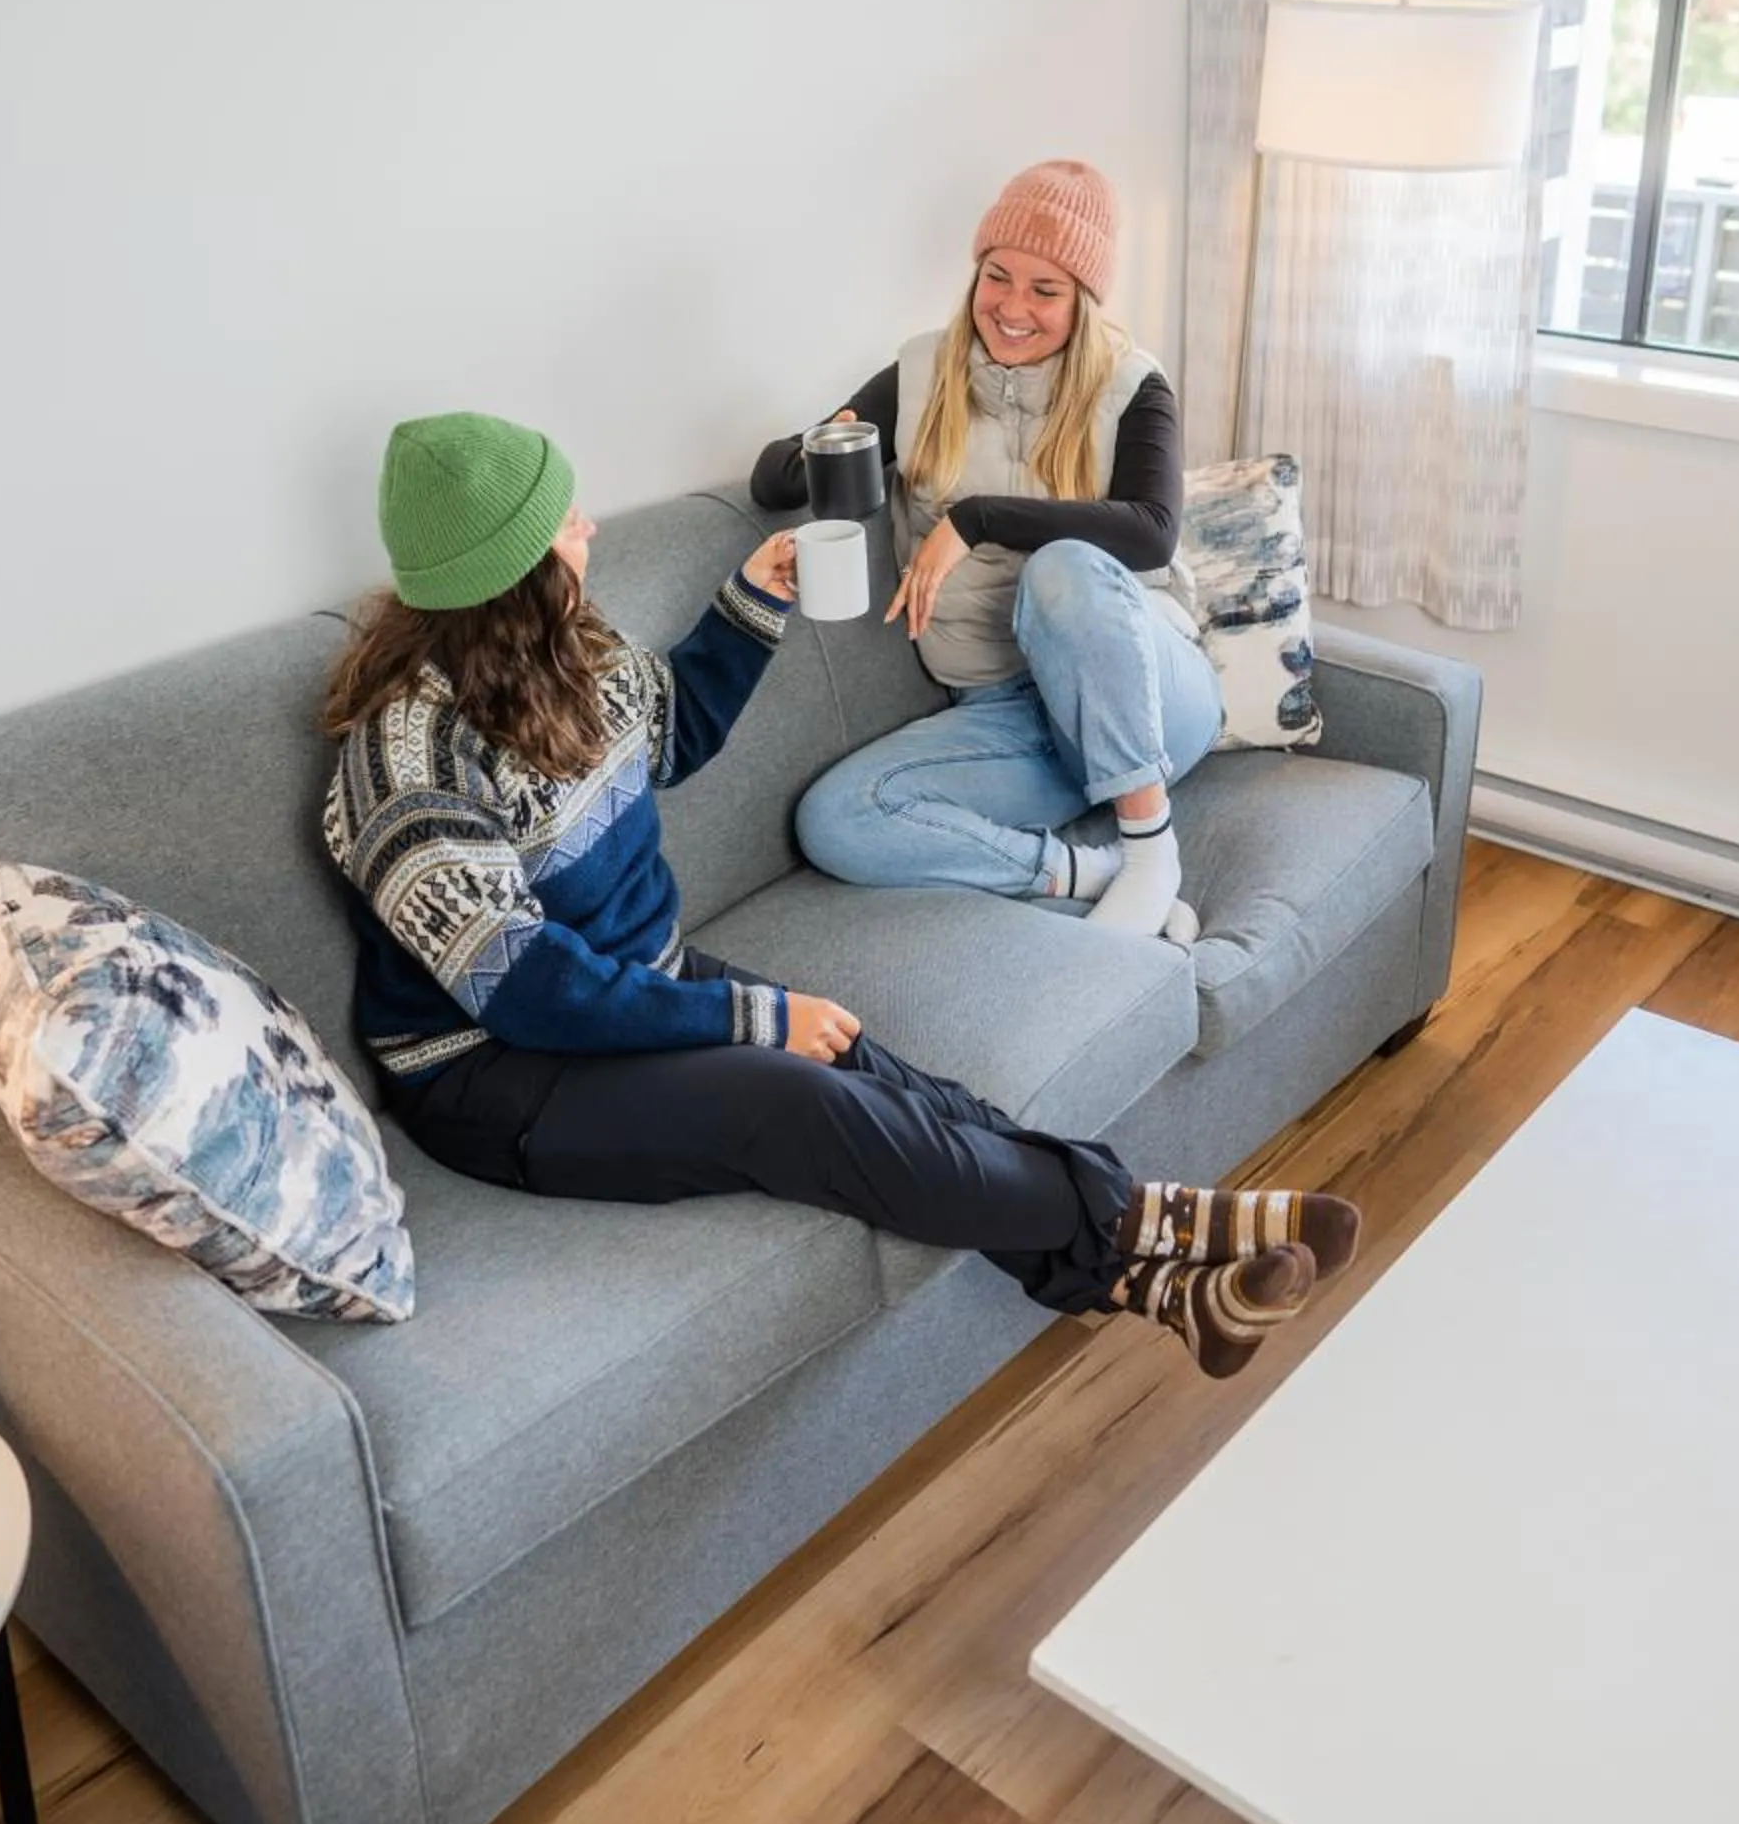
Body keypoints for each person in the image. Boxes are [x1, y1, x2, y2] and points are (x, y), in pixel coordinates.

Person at [320, 410, 1360, 1378]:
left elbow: (666, 736)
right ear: (512, 572)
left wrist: (752, 603)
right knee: (803, 1104)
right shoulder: (408, 765)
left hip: (634, 982)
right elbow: (529, 992)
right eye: (562, 521)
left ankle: (1161, 1290)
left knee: (868, 1064)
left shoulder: (566, 647)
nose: (585, 527)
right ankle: (1163, 1222)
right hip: (497, 1074)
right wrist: (756, 1016)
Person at [752, 159, 1218, 944]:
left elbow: (1151, 530)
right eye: (997, 276)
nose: (1012, 307)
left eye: (1046, 290)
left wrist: (978, 518)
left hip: (1149, 694)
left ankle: (1149, 853)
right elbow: (776, 481)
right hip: (1010, 718)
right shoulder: (921, 374)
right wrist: (812, 453)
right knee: (836, 818)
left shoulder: (1132, 387)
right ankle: (1084, 873)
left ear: (1083, 300)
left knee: (1063, 565)